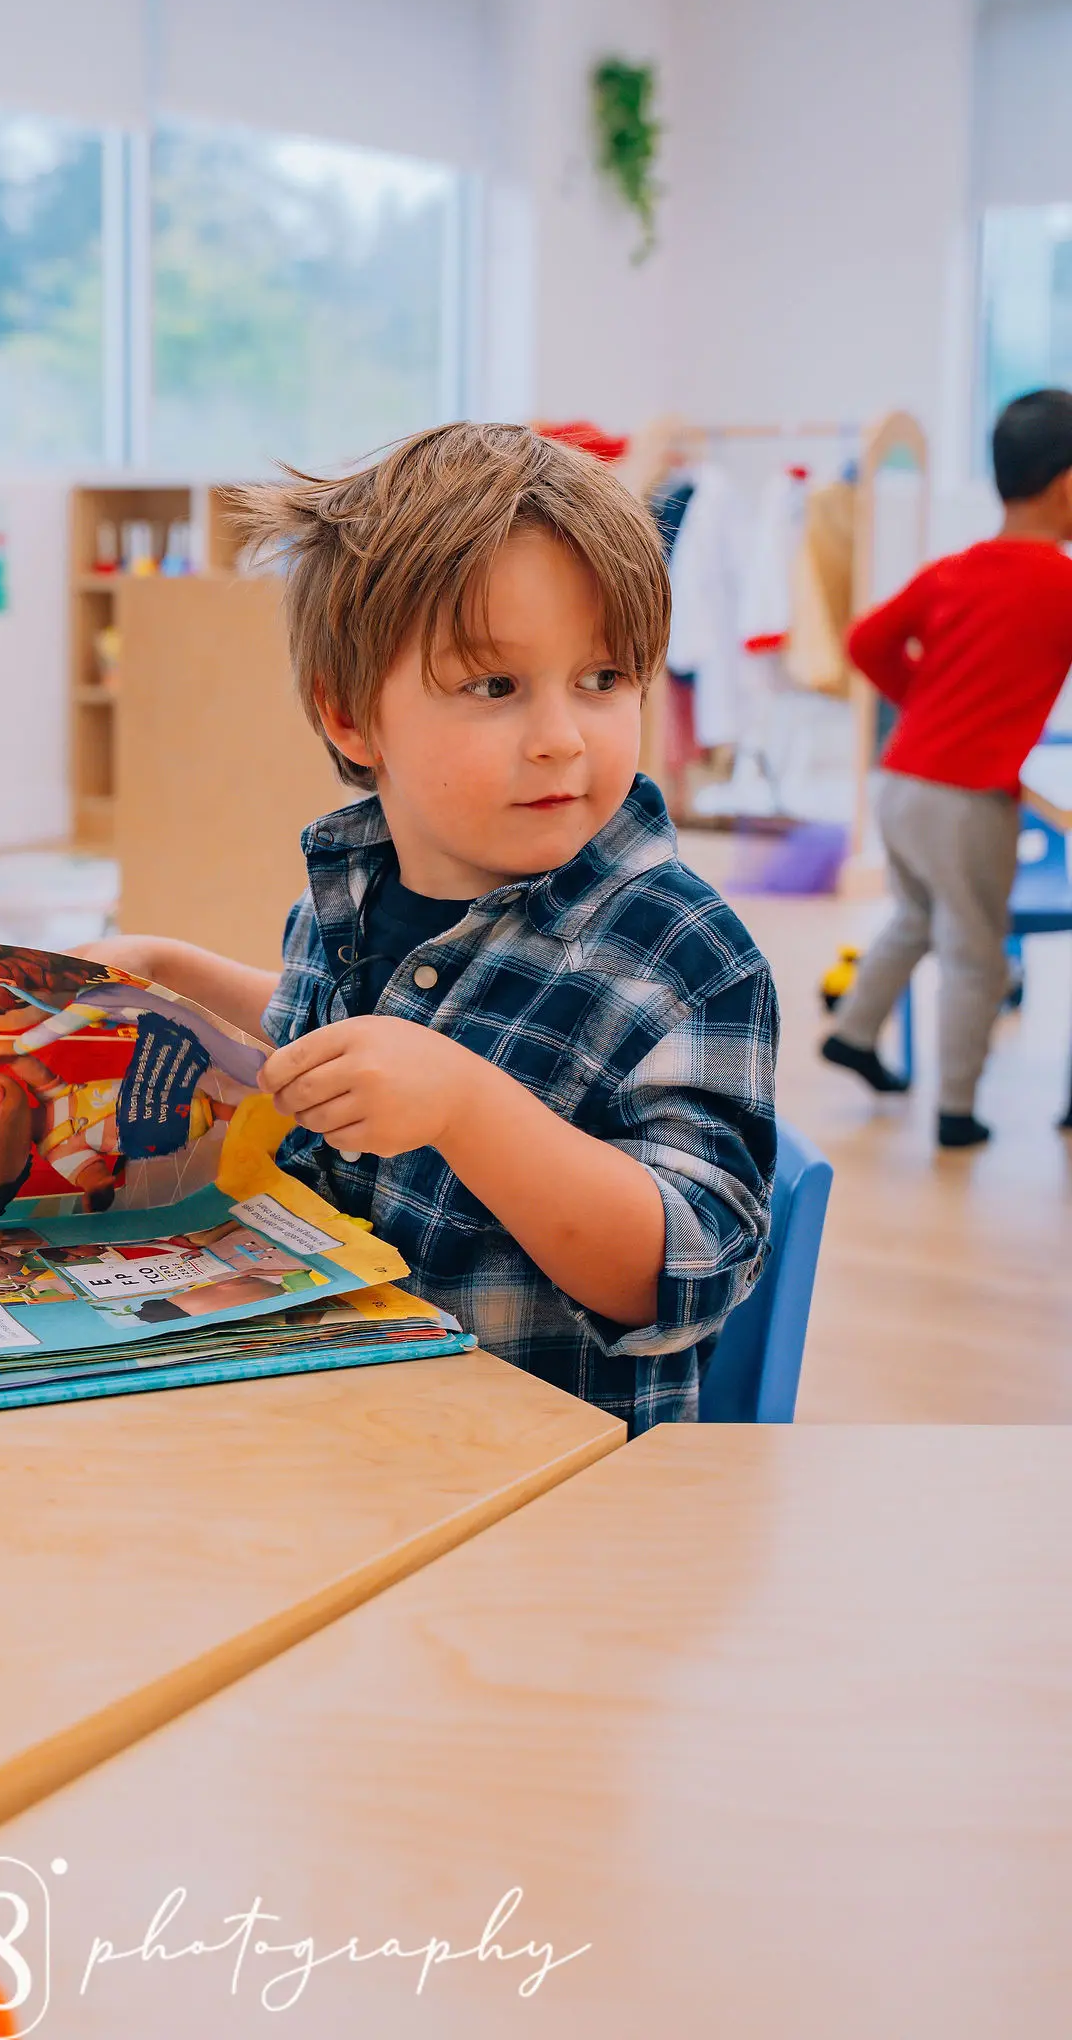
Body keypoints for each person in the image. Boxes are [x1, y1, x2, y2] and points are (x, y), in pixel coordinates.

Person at [86, 421, 777, 1435]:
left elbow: (684, 1271)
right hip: (338, 1424)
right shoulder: (358, 883)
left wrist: (462, 1105)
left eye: (603, 679)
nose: (558, 740)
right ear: (351, 717)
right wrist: (165, 969)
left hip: (537, 1497)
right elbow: (322, 1046)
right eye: (495, 687)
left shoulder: (682, 954)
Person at [822, 387, 1072, 1148]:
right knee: (976, 957)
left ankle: (856, 1031)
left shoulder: (954, 569)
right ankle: (957, 1110)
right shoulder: (1062, 586)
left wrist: (923, 703)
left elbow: (865, 640)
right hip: (966, 798)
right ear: (1066, 487)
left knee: (914, 916)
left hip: (900, 779)